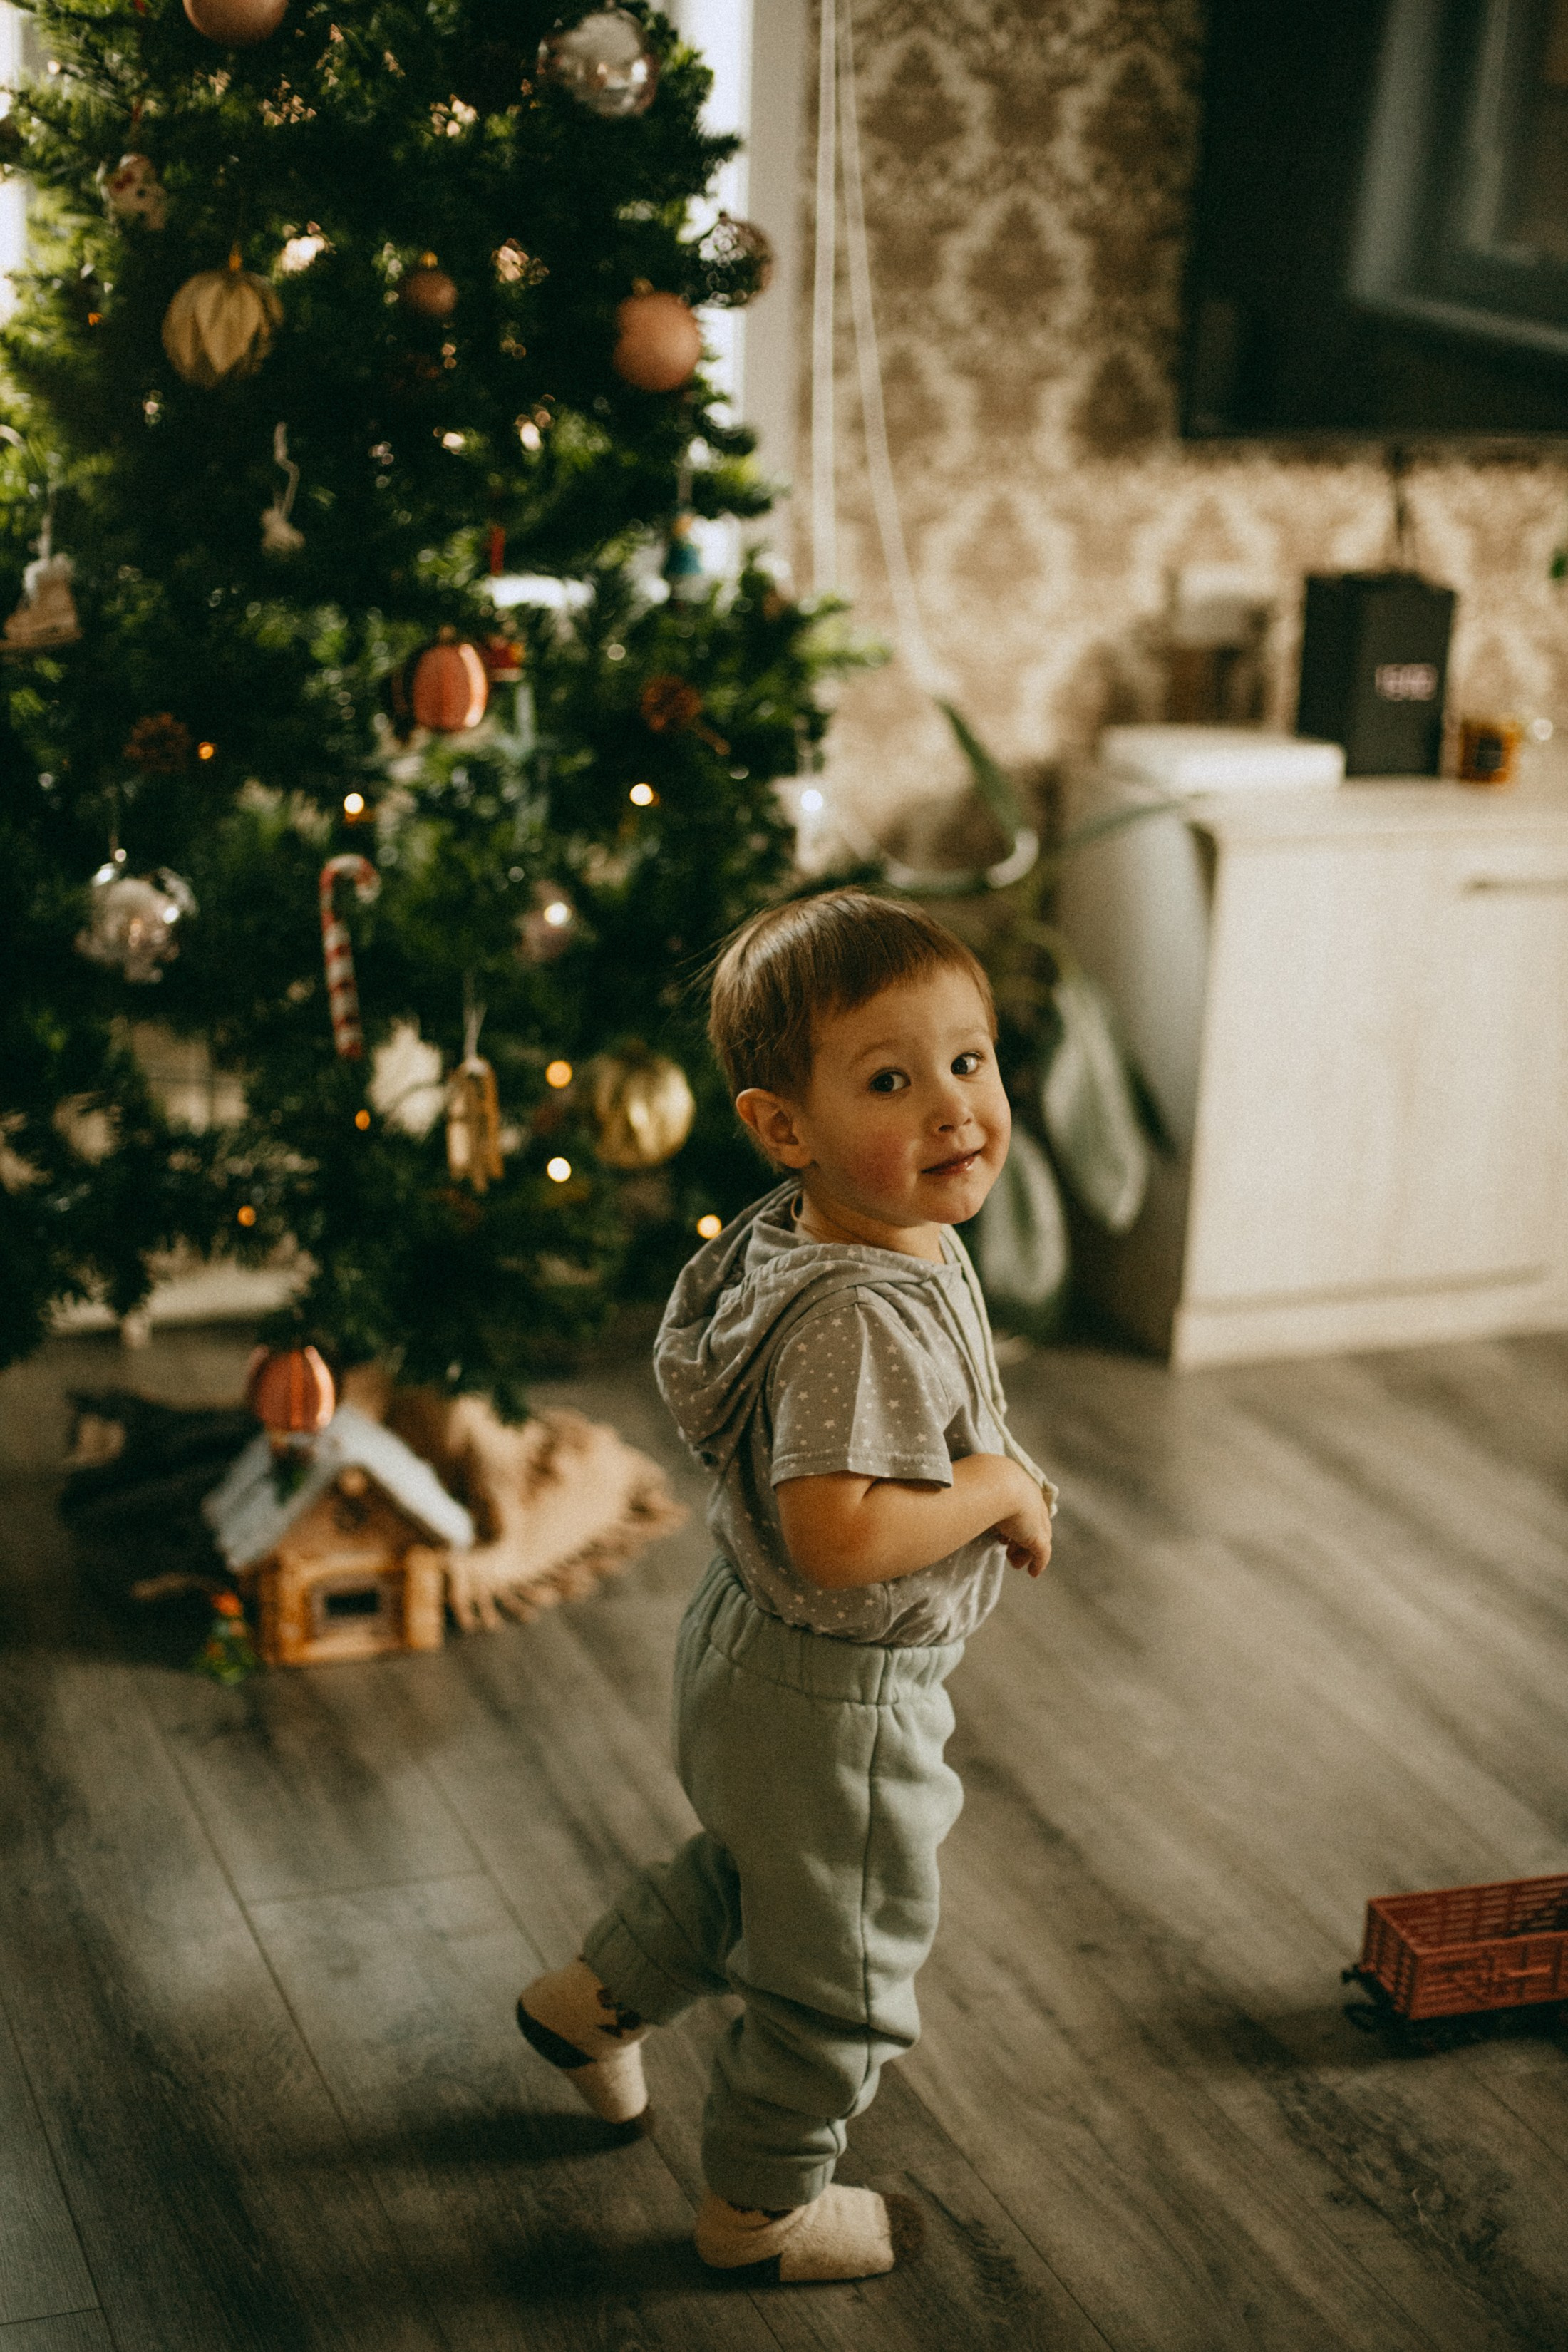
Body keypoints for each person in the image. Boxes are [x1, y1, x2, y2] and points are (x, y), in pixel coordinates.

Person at [516, 888, 1057, 2282]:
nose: (952, 1107)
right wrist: (995, 1487)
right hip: (838, 1696)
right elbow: (835, 1537)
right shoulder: (856, 1312)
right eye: (889, 1081)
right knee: (845, 1973)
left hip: (752, 1652)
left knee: (759, 1874)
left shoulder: (843, 1227)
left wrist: (989, 1464)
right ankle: (757, 2212)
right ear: (783, 1127)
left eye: (968, 1060)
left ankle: (585, 2009)